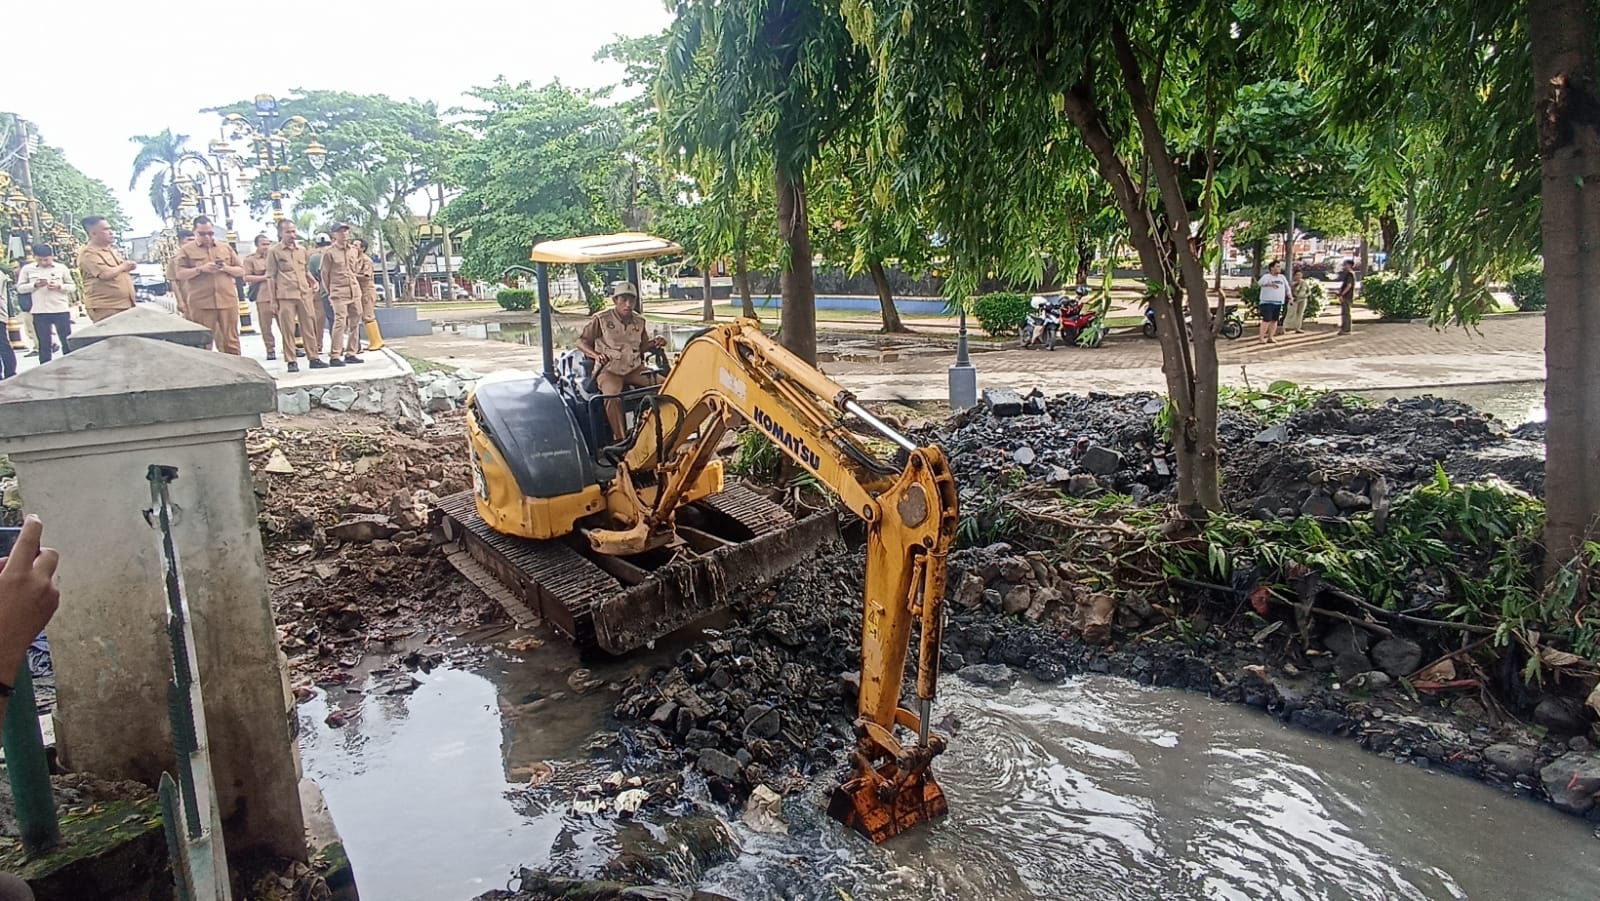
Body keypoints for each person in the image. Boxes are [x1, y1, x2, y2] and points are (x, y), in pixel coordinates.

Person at [578, 282, 666, 440]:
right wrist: (596, 355)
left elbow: (642, 347)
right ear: (615, 300)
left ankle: (660, 430)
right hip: (609, 370)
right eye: (624, 299)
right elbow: (581, 342)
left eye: (632, 300)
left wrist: (655, 342)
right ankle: (621, 439)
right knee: (612, 396)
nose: (628, 304)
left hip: (634, 368)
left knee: (666, 385)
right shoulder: (601, 319)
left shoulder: (640, 321)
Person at [173, 216, 246, 354]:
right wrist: (201, 269)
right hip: (201, 303)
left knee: (231, 340)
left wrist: (225, 268)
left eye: (210, 233)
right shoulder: (186, 250)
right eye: (202, 234)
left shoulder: (225, 248)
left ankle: (236, 369)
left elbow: (241, 270)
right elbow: (180, 274)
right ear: (194, 232)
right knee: (203, 341)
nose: (207, 237)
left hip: (227, 300)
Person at [267, 220, 322, 372]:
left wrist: (313, 281)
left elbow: (305, 270)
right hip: (285, 295)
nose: (292, 235)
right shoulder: (274, 251)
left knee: (309, 326)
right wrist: (273, 301)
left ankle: (314, 357)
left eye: (293, 231)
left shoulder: (302, 250)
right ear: (280, 233)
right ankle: (291, 360)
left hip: (304, 293)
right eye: (288, 232)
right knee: (288, 329)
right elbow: (270, 276)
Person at [15, 245, 76, 364]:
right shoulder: (27, 269)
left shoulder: (61, 268)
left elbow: (72, 286)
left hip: (60, 309)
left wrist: (60, 286)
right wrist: (34, 285)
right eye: (39, 260)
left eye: (46, 259)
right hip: (39, 310)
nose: (43, 262)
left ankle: (71, 363)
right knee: (44, 343)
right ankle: (45, 366)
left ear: (52, 257)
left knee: (66, 340)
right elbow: (20, 288)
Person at [316, 224, 364, 367]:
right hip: (338, 291)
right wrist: (330, 292)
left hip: (354, 290)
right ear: (334, 235)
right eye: (340, 231)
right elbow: (324, 274)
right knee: (340, 322)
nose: (344, 234)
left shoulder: (353, 251)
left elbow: (354, 269)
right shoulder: (329, 252)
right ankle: (335, 354)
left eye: (346, 231)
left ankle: (351, 352)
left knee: (355, 322)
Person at [75, 216, 137, 323]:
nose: (111, 232)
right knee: (114, 338)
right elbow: (104, 274)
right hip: (106, 307)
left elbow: (117, 271)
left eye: (110, 229)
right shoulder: (89, 253)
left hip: (124, 304)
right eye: (105, 229)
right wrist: (123, 267)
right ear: (93, 233)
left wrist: (128, 267)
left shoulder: (110, 250)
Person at [241, 234, 278, 360]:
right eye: (263, 244)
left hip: (279, 294)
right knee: (266, 326)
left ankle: (291, 347)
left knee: (286, 324)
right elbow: (246, 277)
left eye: (268, 244)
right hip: (263, 296)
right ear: (257, 245)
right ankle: (270, 349)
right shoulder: (250, 260)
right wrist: (265, 277)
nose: (266, 247)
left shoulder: (276, 256)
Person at [352, 238, 384, 352]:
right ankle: (373, 341)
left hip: (367, 290)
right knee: (363, 317)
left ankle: (377, 341)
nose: (353, 247)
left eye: (356, 246)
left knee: (368, 315)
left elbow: (367, 276)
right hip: (359, 291)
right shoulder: (355, 259)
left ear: (362, 248)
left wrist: (353, 275)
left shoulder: (366, 260)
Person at [308, 233, 333, 348]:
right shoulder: (335, 252)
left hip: (321, 289)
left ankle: (318, 344)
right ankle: (341, 345)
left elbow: (310, 274)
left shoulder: (312, 257)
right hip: (339, 288)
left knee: (320, 318)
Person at [1256, 259, 1291, 344]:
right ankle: (1261, 338)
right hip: (1267, 302)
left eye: (1279, 266)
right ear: (1272, 268)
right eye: (1277, 266)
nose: (1279, 268)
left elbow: (1287, 288)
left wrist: (1290, 297)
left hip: (1278, 302)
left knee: (1274, 320)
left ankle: (1270, 337)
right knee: (1267, 320)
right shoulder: (1266, 277)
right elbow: (1259, 283)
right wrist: (1269, 284)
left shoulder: (1282, 277)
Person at [165, 228, 195, 320]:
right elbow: (173, 282)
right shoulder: (175, 260)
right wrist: (180, 301)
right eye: (189, 240)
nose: (191, 243)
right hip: (188, 299)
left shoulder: (200, 257)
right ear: (180, 242)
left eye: (193, 240)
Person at [1284, 264, 1309, 333]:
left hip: (1303, 299)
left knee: (1300, 314)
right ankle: (1285, 327)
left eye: (1300, 275)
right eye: (1297, 275)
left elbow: (1308, 291)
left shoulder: (1304, 282)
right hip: (1295, 299)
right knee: (1291, 313)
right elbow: (1290, 291)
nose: (1299, 276)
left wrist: (1306, 295)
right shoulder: (1292, 283)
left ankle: (1298, 328)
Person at [1336, 258, 1357, 334]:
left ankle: (1347, 329)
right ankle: (1344, 328)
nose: (1344, 266)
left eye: (1345, 264)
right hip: (1346, 296)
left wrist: (1342, 294)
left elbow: (1349, 285)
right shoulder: (1348, 274)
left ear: (1349, 265)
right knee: (1344, 313)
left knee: (1346, 313)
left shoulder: (1350, 274)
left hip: (1347, 296)